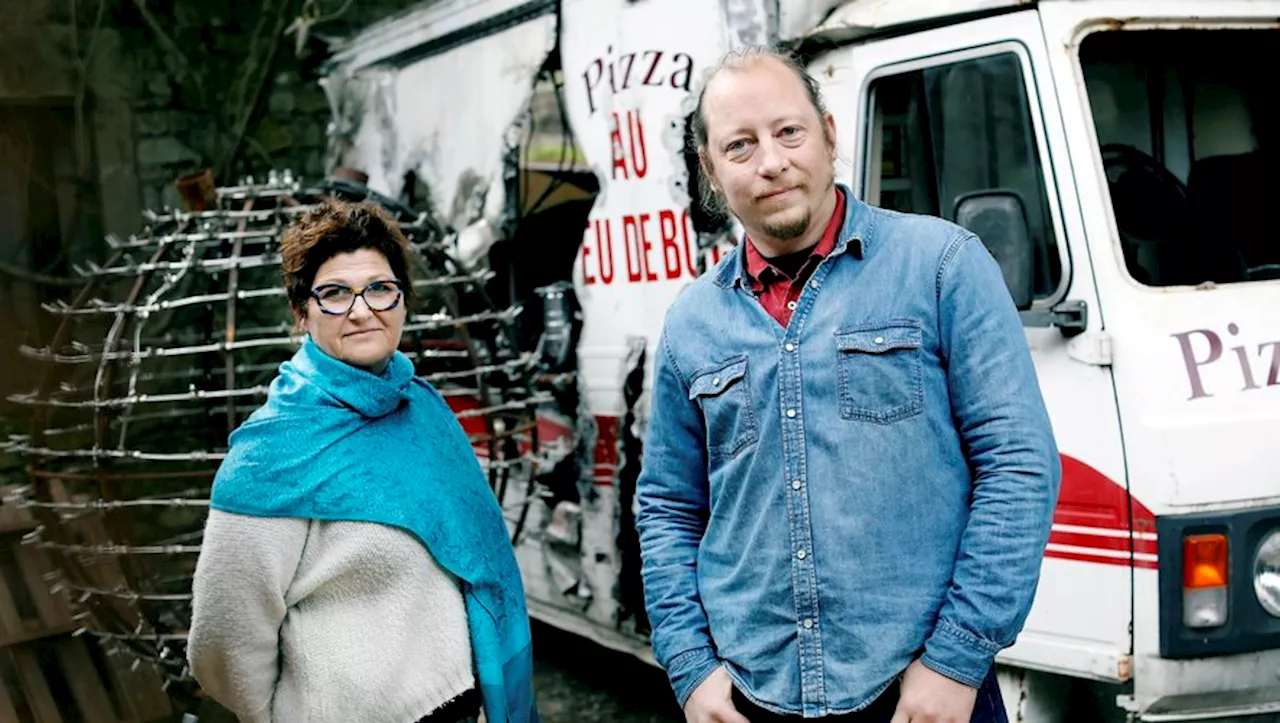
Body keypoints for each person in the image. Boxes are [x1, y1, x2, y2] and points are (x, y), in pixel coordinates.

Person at [635, 48, 1061, 723]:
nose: (770, 160)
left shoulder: (943, 266)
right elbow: (667, 507)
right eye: (740, 145)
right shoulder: (692, 323)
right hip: (751, 697)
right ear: (712, 173)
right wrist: (692, 670)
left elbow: (1018, 467)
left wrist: (955, 658)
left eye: (789, 132)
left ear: (830, 136)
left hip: (923, 695)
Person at [187, 198, 539, 723]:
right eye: (333, 294)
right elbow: (224, 639)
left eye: (379, 288)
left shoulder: (424, 411)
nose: (361, 310)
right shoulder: (273, 454)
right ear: (302, 312)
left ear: (402, 301)